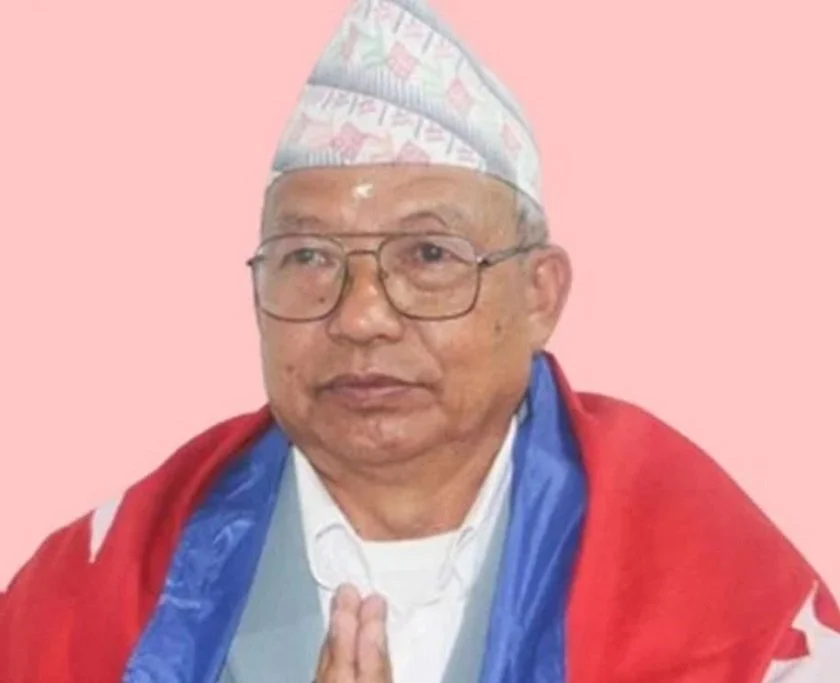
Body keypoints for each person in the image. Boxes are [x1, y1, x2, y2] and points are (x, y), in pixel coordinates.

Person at [1, 0, 838, 681]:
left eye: (428, 254)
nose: (362, 315)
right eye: (309, 257)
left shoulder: (711, 579)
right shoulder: (95, 587)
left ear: (541, 294)